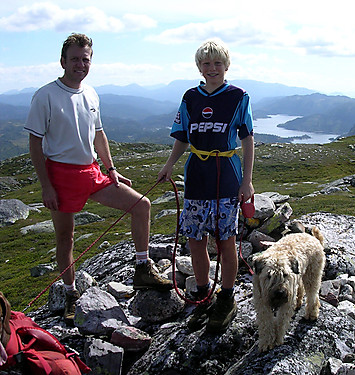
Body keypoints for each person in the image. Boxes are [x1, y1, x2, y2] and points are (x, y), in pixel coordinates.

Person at [24, 33, 172, 324]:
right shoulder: (45, 95)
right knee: (65, 237)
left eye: (85, 59)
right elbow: (34, 143)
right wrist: (46, 186)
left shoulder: (91, 93)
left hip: (91, 171)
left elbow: (99, 133)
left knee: (141, 206)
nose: (80, 64)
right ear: (63, 61)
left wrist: (112, 168)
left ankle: (142, 269)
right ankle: (70, 294)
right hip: (61, 175)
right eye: (75, 58)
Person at [157, 39, 254, 333]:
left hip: (226, 176)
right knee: (196, 240)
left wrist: (247, 181)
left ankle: (225, 297)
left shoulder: (239, 96)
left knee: (226, 240)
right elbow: (182, 136)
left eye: (217, 63)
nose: (212, 69)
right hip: (196, 177)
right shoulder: (190, 97)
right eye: (206, 64)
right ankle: (202, 294)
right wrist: (169, 163)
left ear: (227, 65)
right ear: (199, 67)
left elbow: (247, 139)